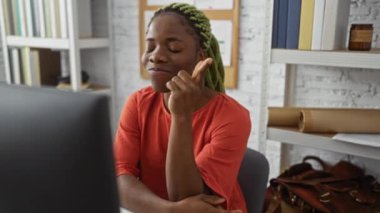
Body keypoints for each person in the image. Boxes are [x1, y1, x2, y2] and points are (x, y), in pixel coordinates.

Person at [114, 3, 251, 213]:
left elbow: (186, 196)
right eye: (150, 46)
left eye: (174, 48)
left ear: (201, 58)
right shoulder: (138, 104)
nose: (155, 56)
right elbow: (119, 177)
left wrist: (181, 116)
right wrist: (170, 210)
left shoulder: (233, 116)